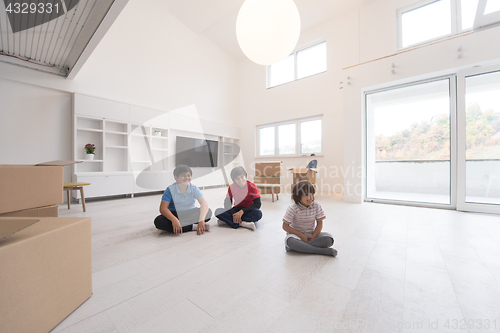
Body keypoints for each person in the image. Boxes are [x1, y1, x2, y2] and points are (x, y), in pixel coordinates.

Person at [282, 180, 337, 256]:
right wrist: (301, 236)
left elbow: (319, 224)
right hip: (296, 236)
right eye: (307, 194)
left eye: (312, 194)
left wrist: (313, 238)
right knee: (290, 241)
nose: (311, 197)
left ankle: (300, 248)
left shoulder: (316, 206)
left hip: (312, 235)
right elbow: (285, 226)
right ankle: (321, 251)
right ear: (298, 195)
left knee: (329, 239)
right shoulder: (293, 208)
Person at [154, 165, 212, 235]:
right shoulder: (170, 189)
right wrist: (174, 220)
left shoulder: (193, 188)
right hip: (175, 214)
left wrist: (201, 220)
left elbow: (204, 203)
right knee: (159, 221)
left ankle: (183, 225)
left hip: (189, 213)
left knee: (208, 212)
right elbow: (163, 208)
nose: (187, 178)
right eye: (183, 176)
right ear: (176, 178)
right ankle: (193, 226)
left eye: (188, 175)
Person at [215, 166, 262, 230]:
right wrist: (234, 214)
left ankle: (229, 221)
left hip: (248, 209)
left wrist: (242, 212)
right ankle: (242, 223)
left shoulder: (252, 186)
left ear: (245, 176)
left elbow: (257, 204)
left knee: (258, 213)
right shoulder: (231, 187)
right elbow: (227, 204)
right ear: (234, 180)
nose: (240, 180)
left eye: (242, 177)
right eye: (237, 178)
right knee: (218, 211)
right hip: (237, 209)